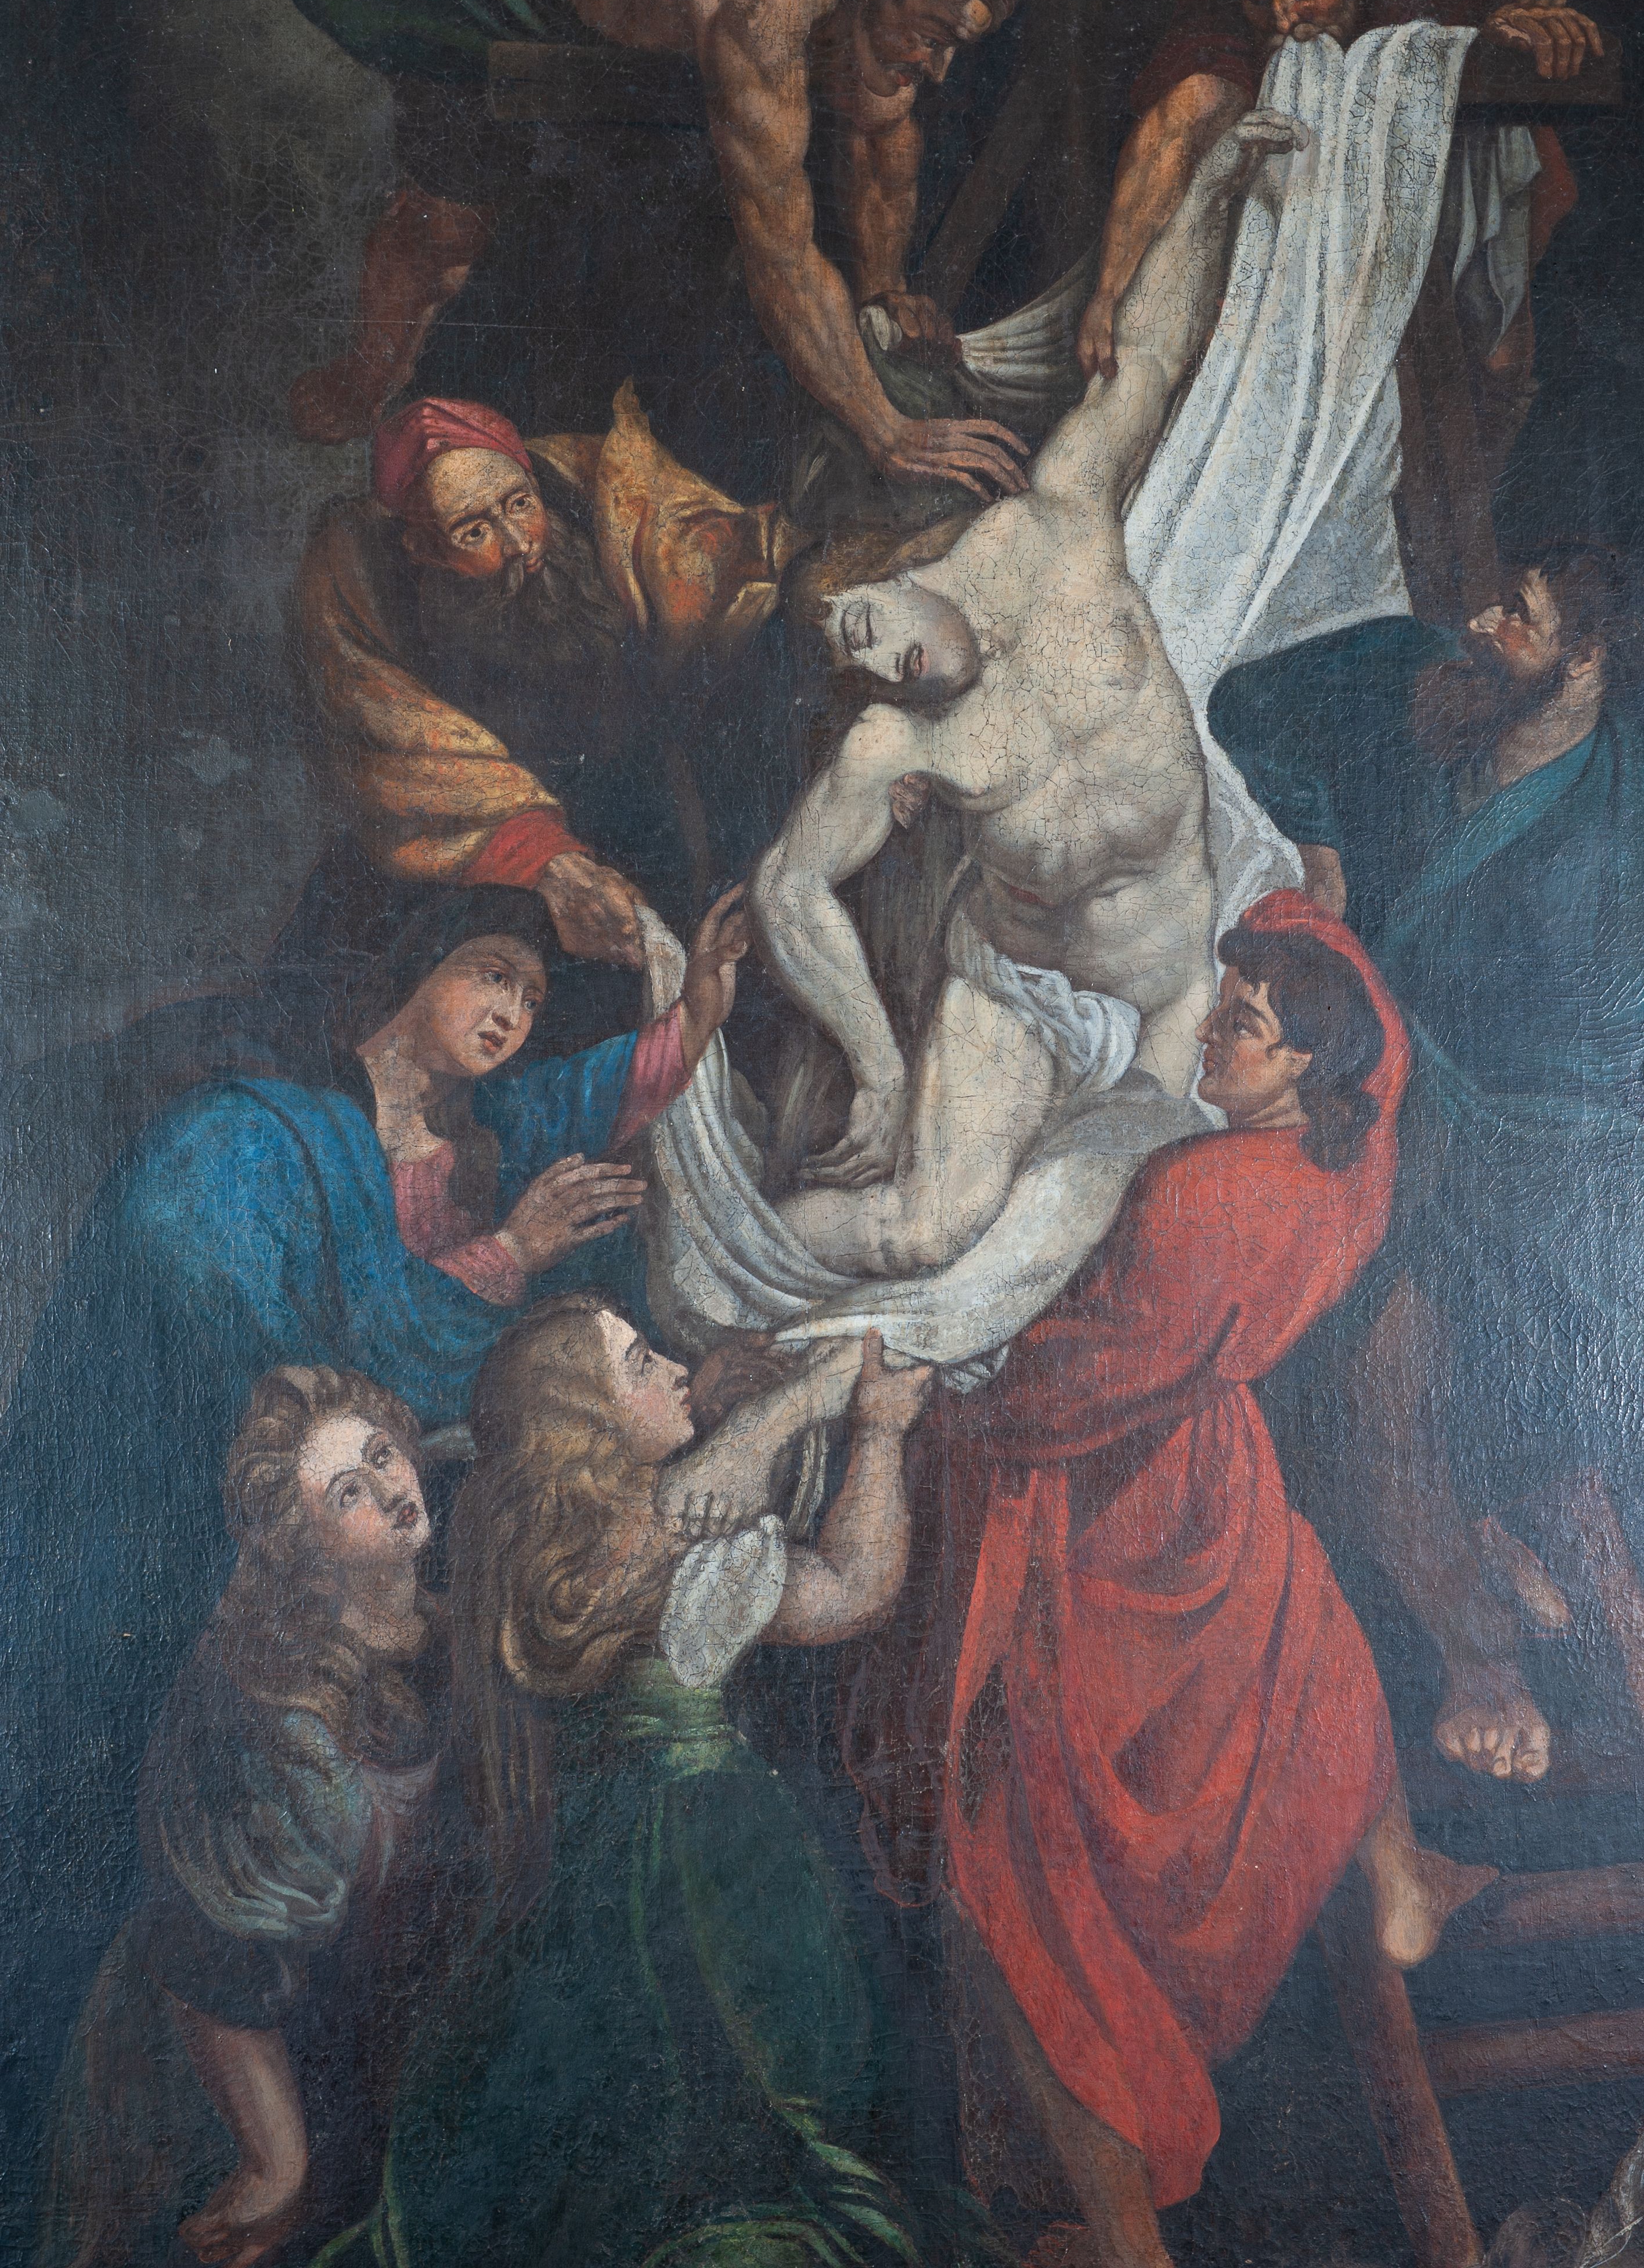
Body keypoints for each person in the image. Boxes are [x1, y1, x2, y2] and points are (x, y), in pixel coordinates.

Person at [0, 879, 748, 2109]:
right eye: (491, 973)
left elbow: (594, 1093)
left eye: (531, 996)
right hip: (254, 1550)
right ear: (419, 969)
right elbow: (309, 1370)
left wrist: (702, 1008)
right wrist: (512, 1254)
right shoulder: (271, 1137)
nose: (511, 1011)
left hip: (390, 1557)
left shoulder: (489, 1136)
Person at [843, 895, 1494, 2268]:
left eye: (1243, 1023)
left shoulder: (1205, 1189)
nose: (1211, 1033)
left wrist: (946, 1406)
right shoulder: (1342, 1180)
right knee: (1304, 1620)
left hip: (1107, 1512)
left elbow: (1088, 1378)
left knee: (1022, 1876)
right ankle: (1396, 1880)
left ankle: (1123, 2236)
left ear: (1306, 1060)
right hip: (1218, 1488)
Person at [313, 1300, 1008, 2268]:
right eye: (641, 1364)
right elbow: (697, 1549)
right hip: (650, 1867)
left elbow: (851, 1589)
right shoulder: (558, 1549)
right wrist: (806, 1403)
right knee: (659, 2105)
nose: (676, 1370)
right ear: (583, 1418)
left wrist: (879, 1432)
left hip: (701, 1843)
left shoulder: (647, 1526)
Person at [748, 107, 1303, 1280]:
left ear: (902, 575)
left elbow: (1148, 354)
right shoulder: (896, 738)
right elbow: (788, 887)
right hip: (1015, 981)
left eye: (867, 631)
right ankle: (726, 1289)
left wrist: (1212, 188)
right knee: (923, 1232)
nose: (878, 670)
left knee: (1089, 1238)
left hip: (1171, 989)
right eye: (854, 670)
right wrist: (878, 1065)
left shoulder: (1058, 525)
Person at [186, 0, 1028, 502]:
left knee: (881, 95)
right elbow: (781, 253)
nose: (940, 69)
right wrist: (887, 432)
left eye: (956, 44)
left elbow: (882, 133)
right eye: (933, 37)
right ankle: (369, 370)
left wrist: (884, 290)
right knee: (445, 223)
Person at [1218, 550, 1644, 1785]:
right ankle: (1488, 1610)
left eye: (1521, 618)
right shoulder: (1425, 678)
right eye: (1501, 595)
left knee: (1509, 1368)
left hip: (1529, 1151)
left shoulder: (1612, 843)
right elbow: (1246, 701)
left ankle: (1544, 1611)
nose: (1484, 618)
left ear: (1585, 662)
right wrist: (1320, 848)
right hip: (1385, 1102)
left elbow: (1606, 1076)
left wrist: (1457, 1126)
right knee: (1356, 1372)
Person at [37, 1366, 453, 2268]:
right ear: (307, 1548)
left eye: (383, 1456)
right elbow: (218, 1959)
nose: (389, 1488)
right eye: (348, 1493)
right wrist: (274, 2161)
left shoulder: (440, 1623)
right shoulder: (283, 1716)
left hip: (353, 2027)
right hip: (223, 2069)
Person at [1077, 0, 1599, 398]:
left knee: (1501, 338)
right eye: (1258, 0)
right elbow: (1180, 119)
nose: (1283, 20)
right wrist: (1111, 292)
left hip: (1459, 44)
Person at [285, 392, 800, 988]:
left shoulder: (596, 484)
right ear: (423, 549)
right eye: (475, 531)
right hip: (473, 851)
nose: (519, 544)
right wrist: (544, 860)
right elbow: (401, 752)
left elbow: (727, 552)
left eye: (520, 505)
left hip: (641, 797)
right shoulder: (358, 576)